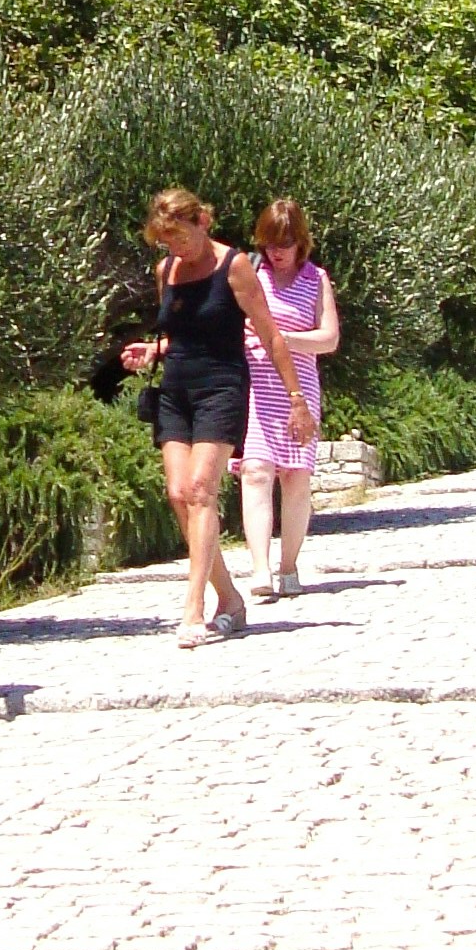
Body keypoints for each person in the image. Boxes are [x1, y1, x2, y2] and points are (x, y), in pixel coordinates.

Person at [123, 188, 317, 646]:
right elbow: (180, 336)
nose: (176, 248)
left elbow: (269, 334)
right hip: (176, 390)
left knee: (200, 490)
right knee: (177, 494)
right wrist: (152, 350)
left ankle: (194, 612)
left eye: (180, 237)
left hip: (223, 387)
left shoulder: (235, 266)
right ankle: (229, 597)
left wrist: (296, 398)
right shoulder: (166, 270)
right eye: (166, 241)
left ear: (202, 222)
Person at [238, 198, 341, 595]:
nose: (275, 252)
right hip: (257, 386)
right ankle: (260, 569)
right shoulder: (251, 275)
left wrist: (281, 340)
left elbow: (328, 338)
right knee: (256, 471)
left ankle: (289, 566)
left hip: (301, 388)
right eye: (269, 244)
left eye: (283, 243)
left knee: (296, 478)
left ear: (300, 241)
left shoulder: (317, 279)